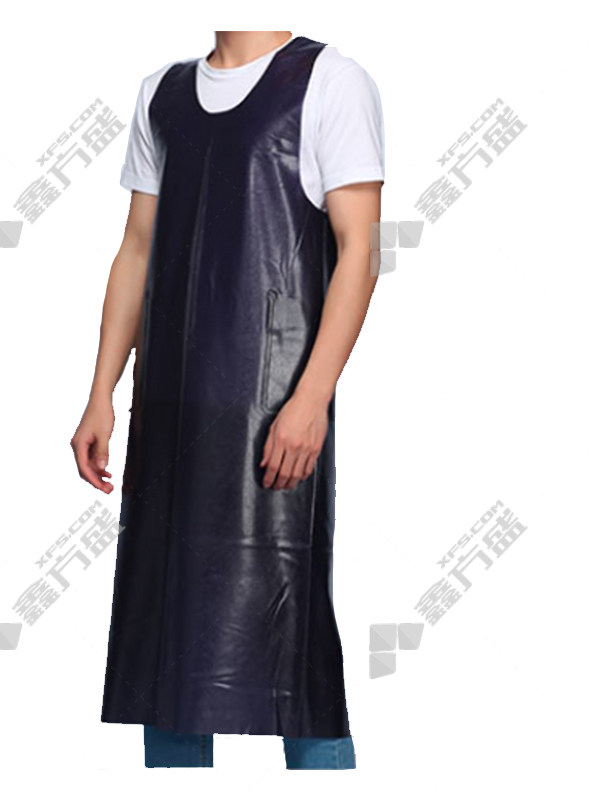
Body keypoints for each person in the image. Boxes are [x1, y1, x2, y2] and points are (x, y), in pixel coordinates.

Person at [70, 30, 385, 770]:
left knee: (294, 650)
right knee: (169, 651)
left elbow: (361, 250)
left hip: (269, 406)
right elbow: (137, 247)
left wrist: (311, 398)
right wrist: (101, 392)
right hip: (170, 408)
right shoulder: (162, 94)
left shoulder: (328, 82)